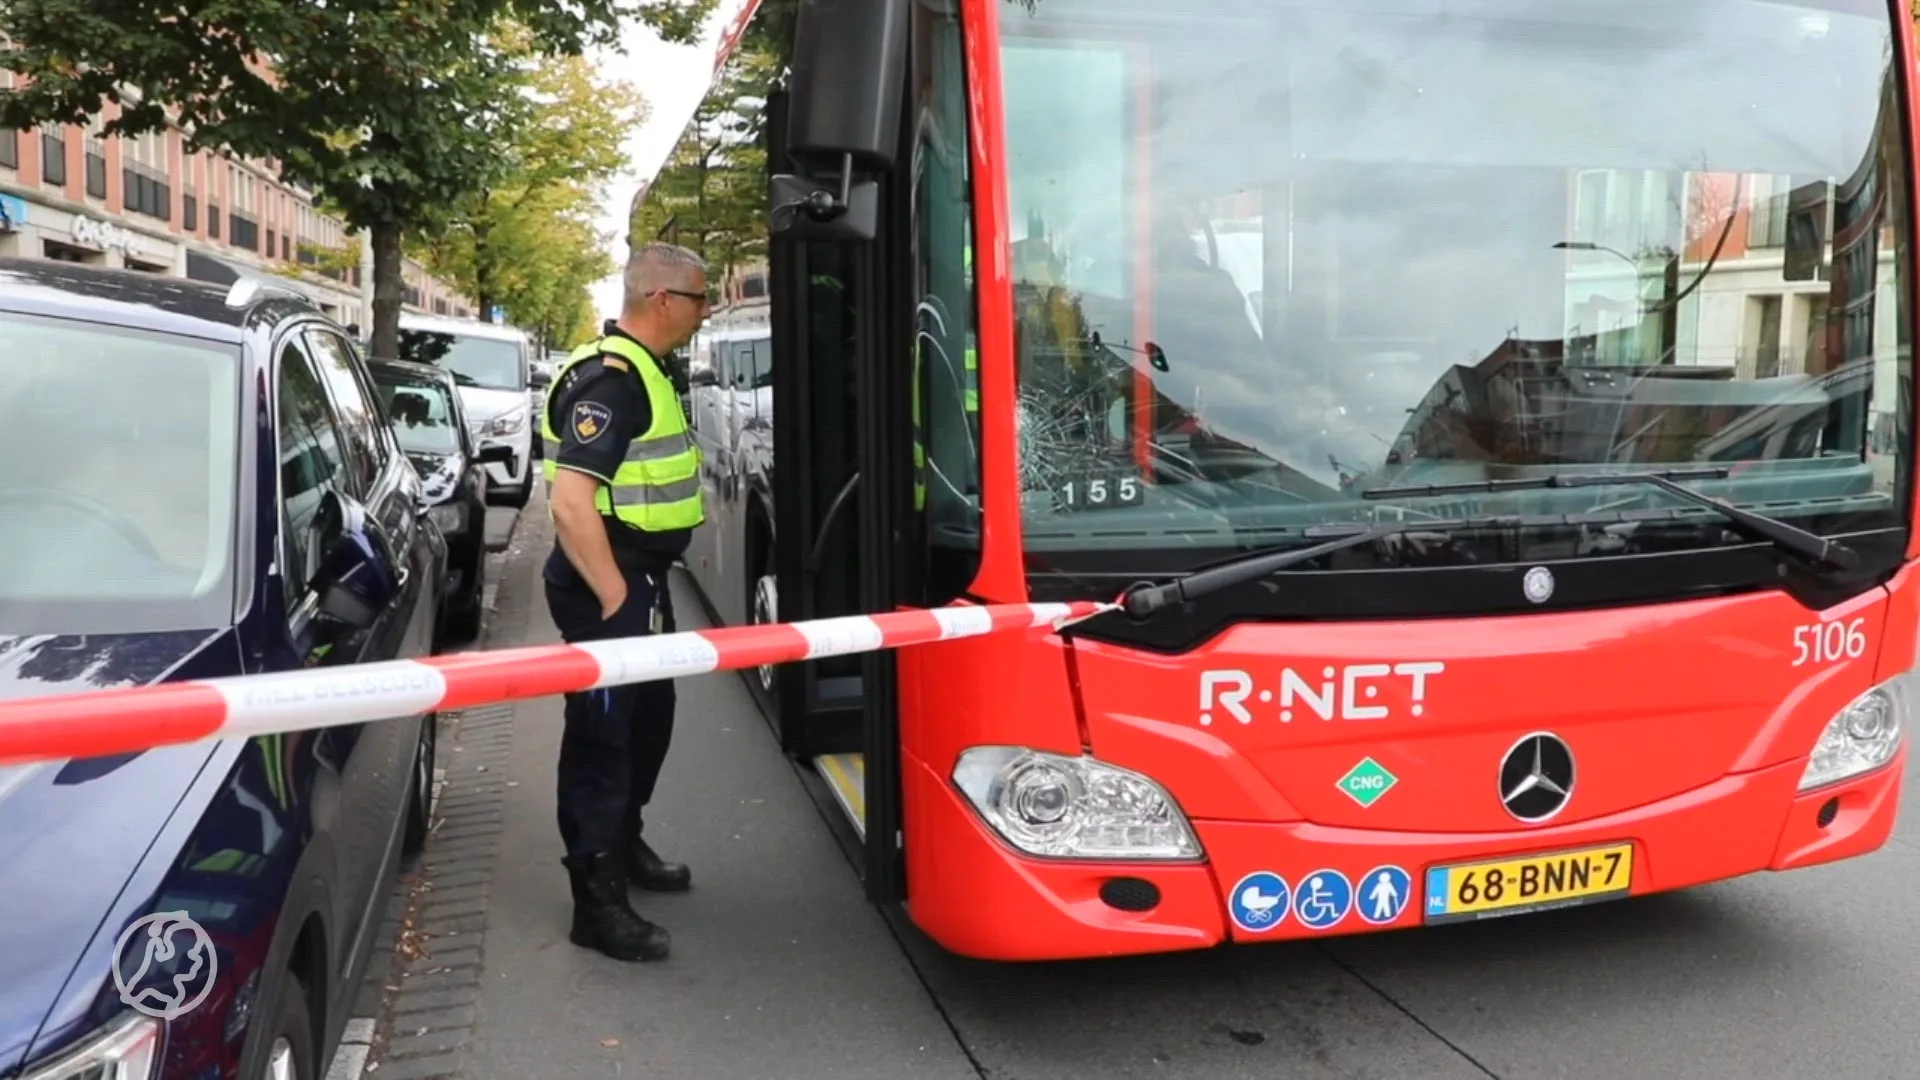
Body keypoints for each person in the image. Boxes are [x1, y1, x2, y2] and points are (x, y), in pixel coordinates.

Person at [539, 242, 710, 962]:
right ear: (665, 301)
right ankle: (596, 900)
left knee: (648, 721)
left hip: (639, 582)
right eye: (701, 298)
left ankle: (624, 840)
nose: (708, 312)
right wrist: (614, 598)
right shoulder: (613, 384)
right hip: (606, 585)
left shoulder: (648, 371)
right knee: (602, 740)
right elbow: (571, 503)